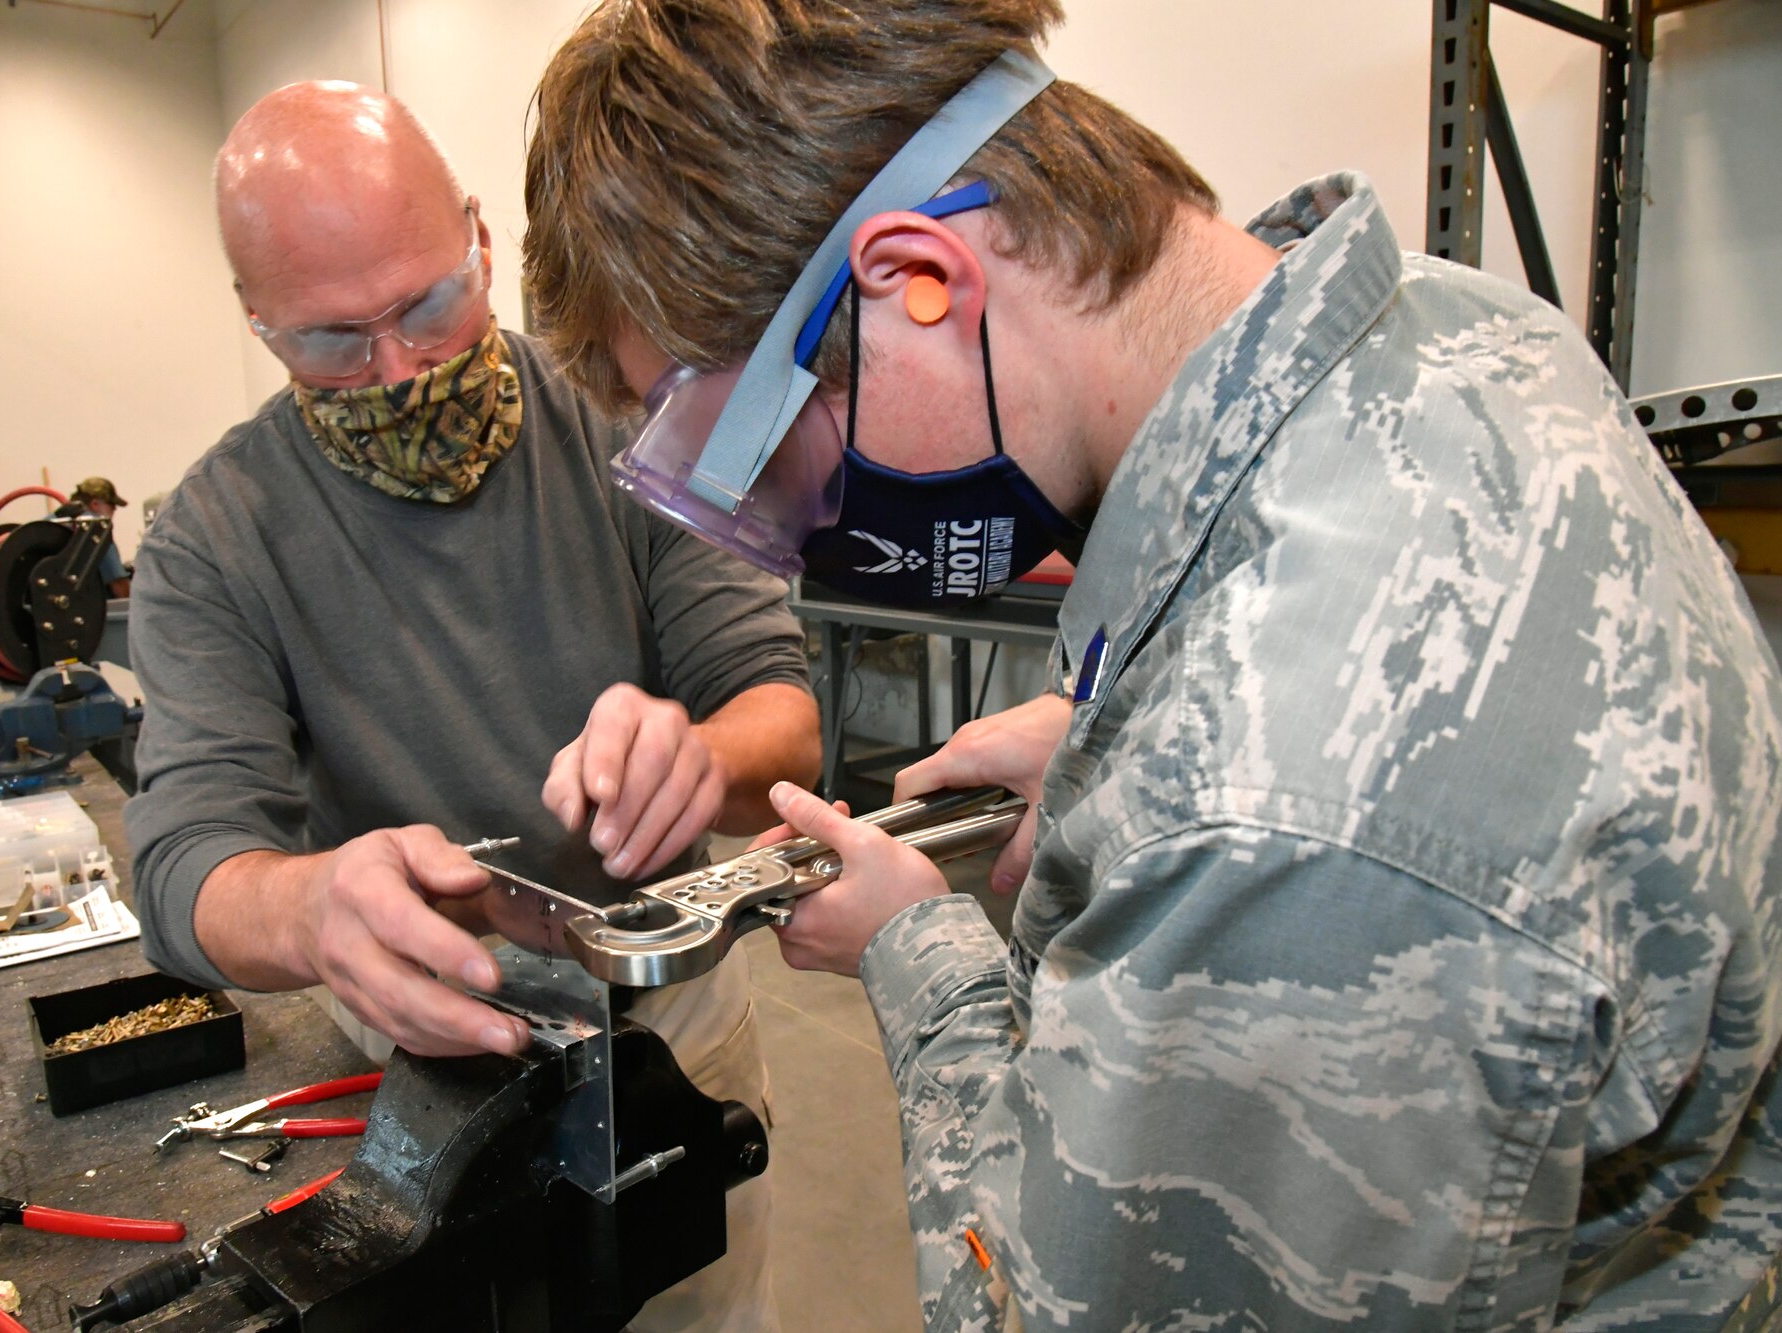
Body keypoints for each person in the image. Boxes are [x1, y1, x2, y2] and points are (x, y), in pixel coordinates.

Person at [520, 1, 1782, 1328]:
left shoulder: (1279, 813)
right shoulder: (1460, 332)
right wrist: (1129, 725)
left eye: (778, 460)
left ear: (920, 280)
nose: (809, 533)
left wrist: (916, 949)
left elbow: (1062, 1306)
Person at [124, 80, 820, 1332]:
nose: (400, 368)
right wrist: (306, 904)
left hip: (666, 1020)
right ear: (256, 322)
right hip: (412, 1064)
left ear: (479, 237)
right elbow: (184, 861)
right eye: (334, 339)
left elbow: (778, 710)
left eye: (429, 304)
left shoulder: (629, 410)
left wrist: (699, 754)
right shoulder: (213, 539)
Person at [55, 476, 131, 597]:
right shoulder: (96, 529)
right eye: (112, 505)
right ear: (95, 504)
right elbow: (119, 585)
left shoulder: (50, 521)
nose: (115, 509)